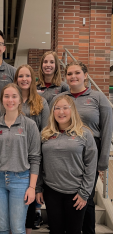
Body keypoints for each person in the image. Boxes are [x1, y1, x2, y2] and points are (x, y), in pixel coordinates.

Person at [36, 94, 97, 234]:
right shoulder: (45, 134)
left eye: (65, 108)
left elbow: (91, 165)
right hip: (52, 191)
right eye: (57, 108)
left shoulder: (85, 134)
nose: (61, 112)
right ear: (52, 112)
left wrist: (84, 193)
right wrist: (38, 188)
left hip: (76, 193)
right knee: (55, 231)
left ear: (72, 111)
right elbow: (38, 162)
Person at [0, 83, 41, 234]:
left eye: (14, 96)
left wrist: (32, 187)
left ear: (20, 100)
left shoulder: (30, 125)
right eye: (7, 96)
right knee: (2, 228)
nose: (10, 100)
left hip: (21, 180)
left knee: (17, 228)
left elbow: (35, 158)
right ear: (2, 99)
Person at [65, 61, 113, 234]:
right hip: (67, 152)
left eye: (77, 73)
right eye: (69, 74)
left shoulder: (99, 98)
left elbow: (107, 130)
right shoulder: (63, 99)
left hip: (91, 152)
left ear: (85, 75)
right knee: (69, 195)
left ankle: (88, 231)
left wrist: (102, 163)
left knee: (87, 197)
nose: (73, 77)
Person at [13, 65, 50, 232]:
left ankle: (31, 220)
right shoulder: (11, 99)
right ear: (16, 79)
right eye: (21, 76)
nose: (24, 79)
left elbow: (46, 130)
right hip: (14, 154)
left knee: (31, 190)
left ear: (33, 79)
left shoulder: (41, 102)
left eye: (27, 76)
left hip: (34, 153)